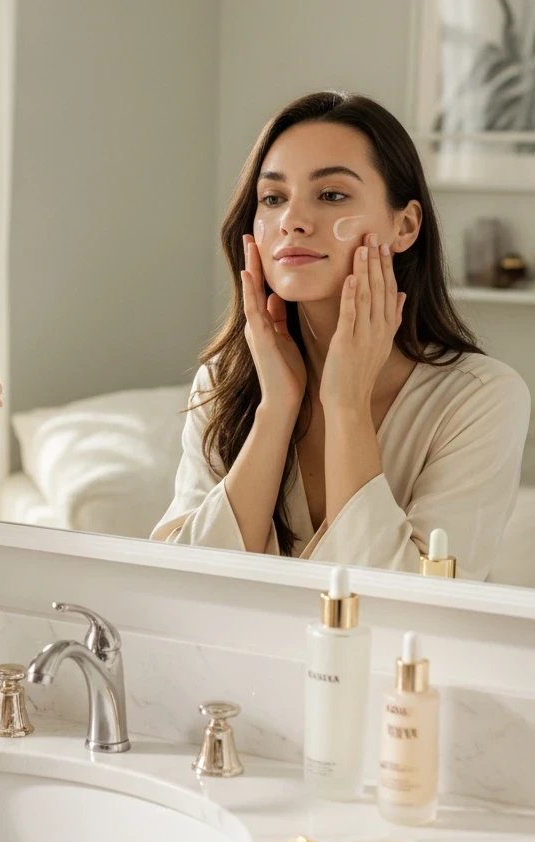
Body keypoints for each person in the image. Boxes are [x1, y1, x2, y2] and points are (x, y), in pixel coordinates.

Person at [153, 92, 530, 579]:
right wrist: (275, 410)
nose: (293, 220)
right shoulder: (222, 383)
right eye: (273, 198)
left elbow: (409, 609)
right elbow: (177, 585)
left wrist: (346, 403)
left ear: (405, 225)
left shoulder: (482, 399)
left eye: (331, 195)